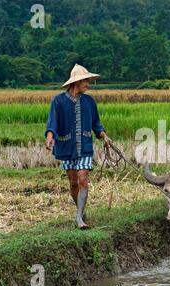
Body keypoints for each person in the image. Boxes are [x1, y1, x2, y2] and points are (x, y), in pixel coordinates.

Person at [45, 64, 111, 229]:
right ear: (77, 82)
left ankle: (78, 218)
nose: (88, 84)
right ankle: (81, 211)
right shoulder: (58, 101)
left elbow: (96, 123)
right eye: (86, 81)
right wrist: (50, 137)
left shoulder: (89, 101)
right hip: (66, 147)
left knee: (83, 179)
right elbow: (52, 121)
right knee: (73, 182)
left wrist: (103, 135)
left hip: (85, 147)